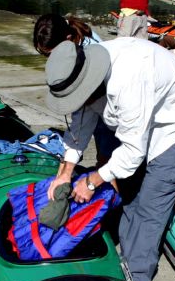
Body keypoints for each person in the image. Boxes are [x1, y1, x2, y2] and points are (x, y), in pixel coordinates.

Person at [44, 38, 175, 281]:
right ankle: (127, 251)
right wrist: (63, 174)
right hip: (142, 120)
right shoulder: (83, 72)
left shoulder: (128, 81)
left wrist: (91, 182)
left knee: (153, 200)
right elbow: (80, 127)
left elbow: (132, 152)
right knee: (131, 193)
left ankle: (137, 278)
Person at [33, 14, 119, 184]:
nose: (51, 60)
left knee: (107, 158)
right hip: (93, 100)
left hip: (106, 101)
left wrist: (91, 182)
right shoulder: (71, 46)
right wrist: (64, 170)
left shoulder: (90, 51)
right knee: (87, 148)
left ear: (68, 39)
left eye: (51, 54)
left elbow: (83, 117)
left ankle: (115, 200)